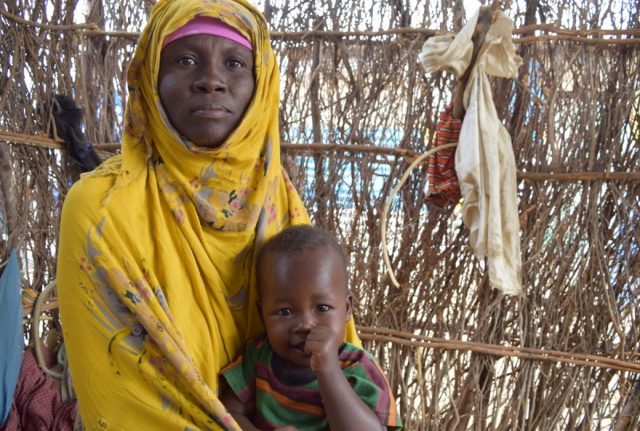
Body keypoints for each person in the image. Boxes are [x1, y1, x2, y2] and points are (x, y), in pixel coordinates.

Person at [56, 0, 360, 429]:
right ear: (151, 78)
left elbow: (343, 367)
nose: (211, 80)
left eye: (235, 62)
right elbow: (126, 394)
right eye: (185, 60)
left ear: (262, 85)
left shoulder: (279, 205)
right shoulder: (101, 210)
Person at [220, 225, 402, 430]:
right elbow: (229, 411)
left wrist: (329, 370)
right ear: (262, 315)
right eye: (285, 311)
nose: (305, 324)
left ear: (347, 308)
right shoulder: (258, 356)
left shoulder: (359, 369)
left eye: (322, 308)